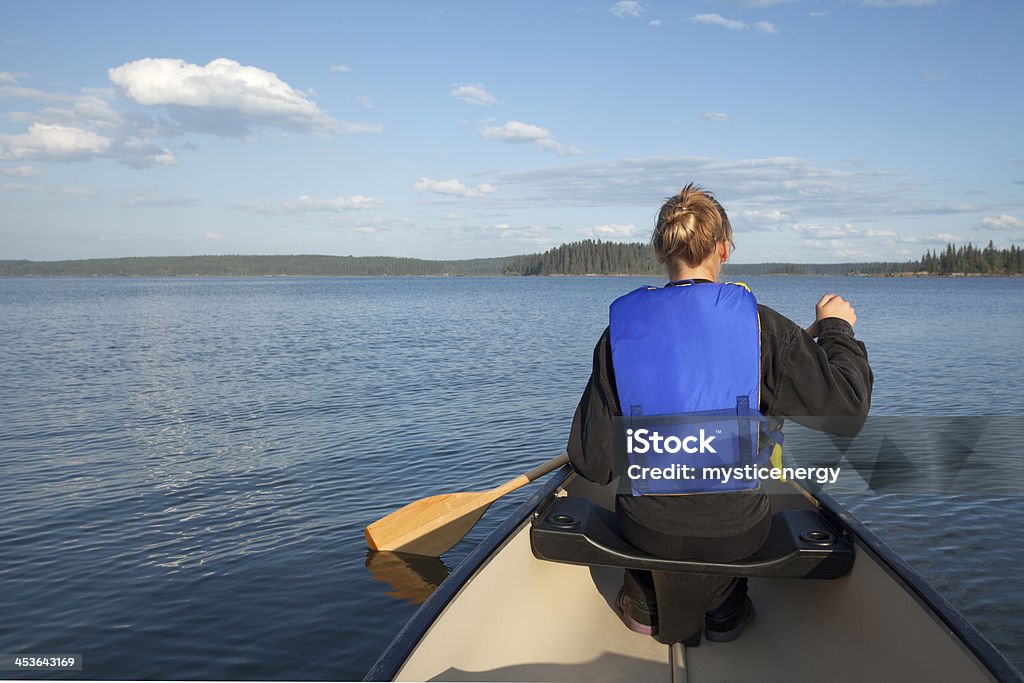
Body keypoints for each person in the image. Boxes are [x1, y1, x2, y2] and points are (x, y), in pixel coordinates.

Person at [566, 183, 873, 642]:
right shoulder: (763, 327)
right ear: (724, 248)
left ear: (658, 251)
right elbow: (847, 408)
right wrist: (836, 329)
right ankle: (725, 608)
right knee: (743, 486)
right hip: (739, 532)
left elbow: (590, 462)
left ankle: (643, 600)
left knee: (650, 515)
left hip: (645, 529)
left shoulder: (618, 336)